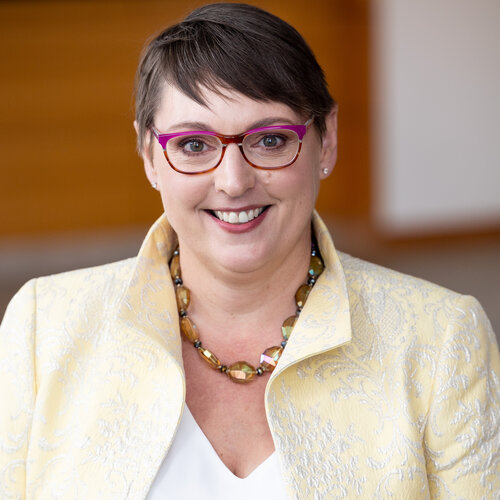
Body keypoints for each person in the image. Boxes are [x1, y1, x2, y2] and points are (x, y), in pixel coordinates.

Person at [1, 3, 499, 499]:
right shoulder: (43, 327)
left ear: (326, 143)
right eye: (194, 145)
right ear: (150, 155)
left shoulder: (442, 340)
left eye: (270, 139)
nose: (234, 181)